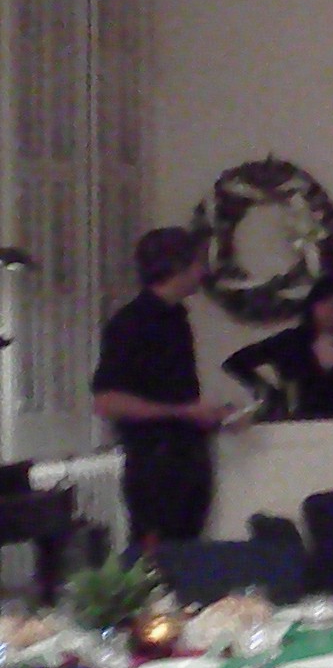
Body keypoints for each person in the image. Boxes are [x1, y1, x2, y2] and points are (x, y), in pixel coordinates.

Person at [92, 227, 235, 545]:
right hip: (155, 464)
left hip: (188, 458)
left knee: (188, 553)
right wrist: (182, 412)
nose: (203, 270)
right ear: (176, 266)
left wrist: (212, 416)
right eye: (198, 262)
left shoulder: (177, 319)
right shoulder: (131, 323)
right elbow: (106, 400)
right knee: (156, 558)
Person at [222, 276, 333, 419]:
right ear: (312, 306)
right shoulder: (290, 341)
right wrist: (267, 392)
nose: (330, 310)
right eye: (324, 303)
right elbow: (236, 362)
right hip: (300, 433)